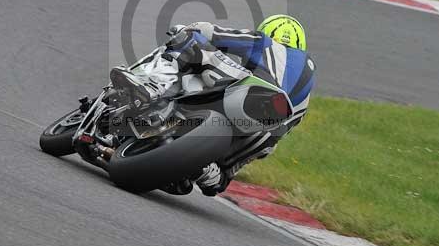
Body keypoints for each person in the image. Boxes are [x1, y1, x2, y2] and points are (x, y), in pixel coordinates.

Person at [110, 15, 315, 196]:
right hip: (266, 125)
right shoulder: (306, 88)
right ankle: (212, 173)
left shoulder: (265, 42)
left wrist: (189, 29)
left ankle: (152, 85)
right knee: (259, 149)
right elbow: (277, 135)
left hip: (248, 93)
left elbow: (215, 33)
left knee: (189, 40)